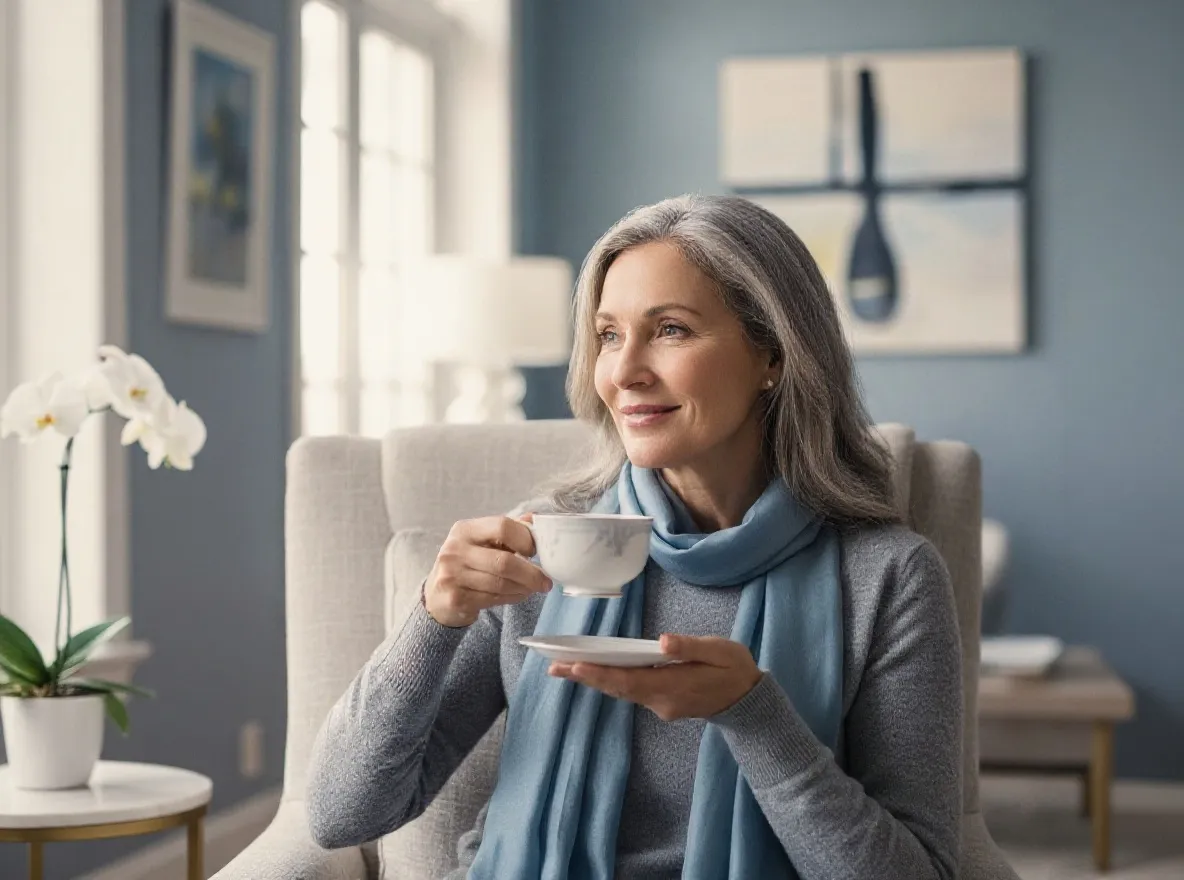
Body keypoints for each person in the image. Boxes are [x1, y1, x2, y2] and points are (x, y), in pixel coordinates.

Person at [306, 194, 963, 880]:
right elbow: (339, 815)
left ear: (773, 352)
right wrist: (432, 620)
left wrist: (755, 716)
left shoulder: (887, 578)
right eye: (610, 335)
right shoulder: (545, 546)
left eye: (671, 329)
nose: (623, 372)